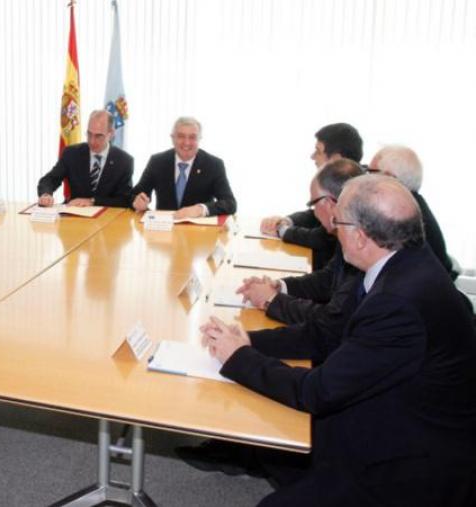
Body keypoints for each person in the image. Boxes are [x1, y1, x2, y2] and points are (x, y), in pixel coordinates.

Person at [201, 175, 476, 506]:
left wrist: (239, 358)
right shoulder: (401, 264)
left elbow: (319, 391)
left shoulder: (397, 302)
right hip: (394, 409)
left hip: (414, 460)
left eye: (339, 220)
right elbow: (327, 333)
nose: (331, 225)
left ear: (361, 237)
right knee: (275, 439)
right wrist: (249, 341)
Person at [237, 159, 364, 325]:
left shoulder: (362, 247)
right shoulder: (348, 234)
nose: (313, 212)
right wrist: (279, 286)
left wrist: (272, 300)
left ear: (330, 203)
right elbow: (328, 279)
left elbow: (332, 321)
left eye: (313, 204)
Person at [260, 123, 363, 269]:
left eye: (318, 151)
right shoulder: (350, 178)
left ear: (336, 158)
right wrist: (287, 220)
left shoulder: (357, 190)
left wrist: (282, 230)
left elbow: (321, 238)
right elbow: (314, 214)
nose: (312, 157)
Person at [368, 144, 455, 278]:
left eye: (371, 172)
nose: (366, 179)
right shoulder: (415, 206)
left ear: (389, 178)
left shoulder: (400, 216)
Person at [132, 117, 236, 217]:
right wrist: (137, 201)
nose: (186, 142)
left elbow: (229, 203)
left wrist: (201, 209)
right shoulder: (157, 162)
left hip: (200, 231)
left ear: (199, 139)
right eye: (181, 136)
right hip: (164, 228)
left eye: (192, 137)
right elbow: (135, 194)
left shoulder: (214, 164)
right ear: (172, 138)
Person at [37, 110, 134, 207]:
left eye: (98, 136)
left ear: (111, 134)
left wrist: (93, 201)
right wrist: (46, 194)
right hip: (74, 216)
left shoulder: (124, 161)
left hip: (107, 219)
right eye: (89, 134)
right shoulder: (71, 154)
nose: (92, 141)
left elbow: (124, 200)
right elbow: (49, 180)